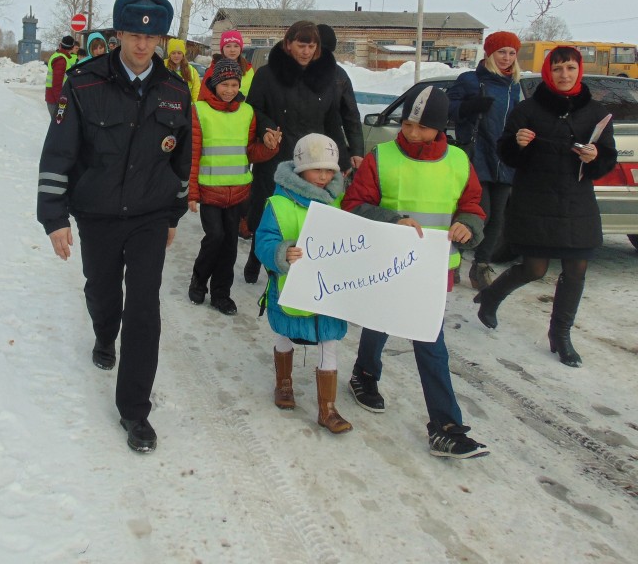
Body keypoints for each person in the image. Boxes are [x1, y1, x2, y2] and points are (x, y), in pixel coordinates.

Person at [36, 0, 191, 454]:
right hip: (98, 214)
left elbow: (180, 161)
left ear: (160, 39)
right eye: (133, 34)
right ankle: (105, 335)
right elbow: (59, 152)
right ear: (118, 33)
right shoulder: (83, 84)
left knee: (144, 308)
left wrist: (173, 214)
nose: (142, 45)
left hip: (149, 216)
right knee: (102, 291)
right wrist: (54, 217)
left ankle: (135, 410)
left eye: (151, 36)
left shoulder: (176, 91)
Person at [344, 86, 490, 459]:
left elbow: (472, 204)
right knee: (380, 320)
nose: (411, 133)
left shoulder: (458, 161)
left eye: (422, 127)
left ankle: (446, 427)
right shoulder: (382, 157)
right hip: (388, 264)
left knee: (429, 341)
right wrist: (393, 220)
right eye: (407, 123)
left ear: (440, 128)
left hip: (432, 270)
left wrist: (468, 225)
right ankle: (365, 373)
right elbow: (354, 204)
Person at [473, 45, 617, 367]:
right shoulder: (528, 109)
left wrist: (596, 157)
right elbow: (505, 152)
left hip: (576, 203)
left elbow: (608, 156)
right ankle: (491, 297)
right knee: (534, 269)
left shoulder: (595, 112)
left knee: (576, 270)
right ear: (548, 72)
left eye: (570, 68)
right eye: (557, 68)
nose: (564, 75)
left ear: (579, 71)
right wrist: (517, 144)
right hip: (536, 201)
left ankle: (560, 334)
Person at [254, 133, 351, 434]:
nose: (323, 177)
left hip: (329, 291)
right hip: (290, 288)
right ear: (300, 170)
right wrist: (281, 252)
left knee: (328, 343)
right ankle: (284, 383)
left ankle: (328, 408)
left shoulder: (340, 202)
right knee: (285, 334)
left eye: (329, 170)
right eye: (316, 169)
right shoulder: (279, 204)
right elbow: (263, 241)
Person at [243, 20, 348, 284]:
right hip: (276, 156)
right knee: (269, 211)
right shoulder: (267, 74)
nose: (306, 51)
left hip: (312, 161)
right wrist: (266, 129)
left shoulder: (325, 78)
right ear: (288, 44)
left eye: (311, 46)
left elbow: (333, 120)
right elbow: (253, 110)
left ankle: (299, 265)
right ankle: (257, 256)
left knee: (304, 214)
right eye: (301, 45)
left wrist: (343, 159)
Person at [187, 59, 279, 315]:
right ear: (214, 84)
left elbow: (249, 152)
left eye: (234, 85)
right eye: (224, 84)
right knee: (215, 237)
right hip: (210, 191)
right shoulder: (199, 111)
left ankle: (221, 294)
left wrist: (269, 148)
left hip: (238, 192)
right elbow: (193, 155)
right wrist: (191, 192)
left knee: (229, 245)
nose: (229, 90)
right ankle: (199, 280)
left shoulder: (246, 112)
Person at [448, 31, 523, 290]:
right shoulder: (471, 80)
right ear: (489, 54)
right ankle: (453, 259)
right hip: (477, 155)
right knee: (480, 213)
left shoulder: (514, 85)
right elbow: (448, 108)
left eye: (512, 53)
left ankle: (481, 265)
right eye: (501, 52)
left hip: (504, 157)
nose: (507, 58)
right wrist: (469, 107)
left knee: (498, 218)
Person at [317, 24, 364, 172]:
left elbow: (351, 114)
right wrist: (357, 151)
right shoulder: (339, 74)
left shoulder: (339, 75)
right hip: (328, 146)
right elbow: (351, 116)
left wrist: (356, 151)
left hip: (328, 145)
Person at [201, 30, 255, 98]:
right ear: (222, 49)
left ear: (240, 48)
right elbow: (203, 95)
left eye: (236, 46)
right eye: (228, 46)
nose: (232, 50)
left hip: (244, 105)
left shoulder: (248, 69)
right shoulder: (214, 69)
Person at [45, 35, 79, 117]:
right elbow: (57, 84)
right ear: (71, 47)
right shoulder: (61, 60)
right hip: (56, 100)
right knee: (58, 124)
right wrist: (60, 103)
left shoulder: (58, 55)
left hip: (53, 97)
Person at [165, 37, 202, 102]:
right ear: (169, 54)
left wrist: (194, 106)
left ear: (183, 55)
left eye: (179, 53)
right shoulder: (162, 68)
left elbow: (196, 92)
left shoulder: (192, 71)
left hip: (186, 106)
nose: (176, 56)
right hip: (166, 106)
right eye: (173, 53)